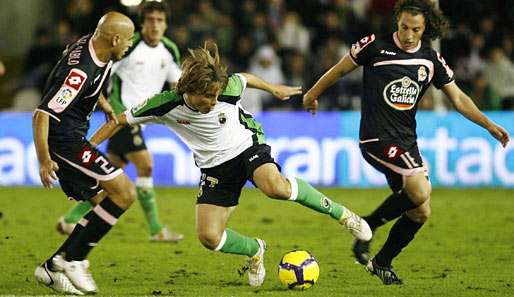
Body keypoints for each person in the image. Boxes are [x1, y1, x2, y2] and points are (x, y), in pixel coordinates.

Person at [88, 42, 372, 287]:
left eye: (215, 95)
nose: (212, 101)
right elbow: (118, 121)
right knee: (209, 237)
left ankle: (345, 216)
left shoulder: (228, 88)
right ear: (188, 89)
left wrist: (273, 88)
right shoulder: (164, 105)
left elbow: (243, 78)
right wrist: (86, 150)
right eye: (206, 97)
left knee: (275, 187)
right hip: (214, 168)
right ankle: (255, 250)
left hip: (246, 146)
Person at [303, 0, 509, 285]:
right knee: (420, 188)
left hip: (406, 143)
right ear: (396, 22)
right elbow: (339, 69)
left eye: (416, 29)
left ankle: (382, 262)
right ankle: (368, 225)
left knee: (421, 211)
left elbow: (459, 98)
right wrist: (312, 94)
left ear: (425, 29)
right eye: (404, 27)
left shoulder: (430, 60)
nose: (409, 34)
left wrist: (488, 124)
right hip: (376, 138)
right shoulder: (374, 46)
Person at [56, 1, 184, 243]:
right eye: (150, 20)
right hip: (121, 116)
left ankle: (69, 220)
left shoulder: (170, 50)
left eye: (160, 20)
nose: (155, 25)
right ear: (142, 22)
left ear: (166, 24)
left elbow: (175, 83)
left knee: (114, 178)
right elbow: (101, 70)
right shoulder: (129, 44)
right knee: (145, 165)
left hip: (142, 118)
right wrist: (101, 102)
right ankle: (156, 229)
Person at [33, 12, 136, 294]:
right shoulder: (79, 73)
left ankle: (53, 266)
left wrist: (100, 101)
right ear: (115, 38)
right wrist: (44, 160)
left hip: (71, 135)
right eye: (128, 40)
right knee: (125, 192)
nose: (129, 45)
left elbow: (86, 77)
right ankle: (73, 259)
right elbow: (42, 114)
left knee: (104, 202)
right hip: (64, 140)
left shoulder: (93, 44)